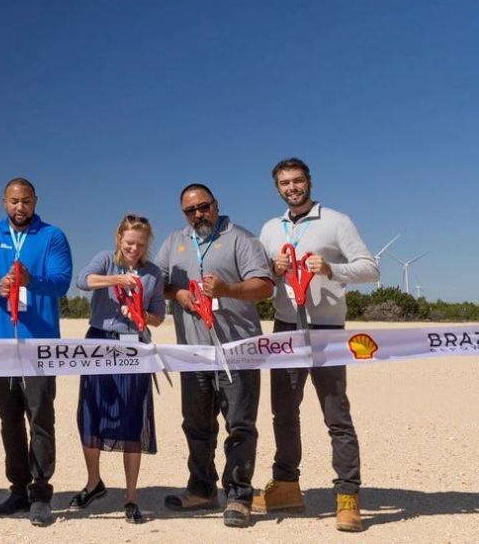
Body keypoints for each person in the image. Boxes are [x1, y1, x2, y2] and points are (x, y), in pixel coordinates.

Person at [253, 158, 378, 533]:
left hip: (327, 329)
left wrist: (331, 270)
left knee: (336, 415)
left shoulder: (336, 221)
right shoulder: (270, 228)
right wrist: (272, 272)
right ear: (277, 189)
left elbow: (370, 268)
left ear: (309, 182)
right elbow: (259, 279)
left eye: (298, 181)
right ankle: (287, 485)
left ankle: (347, 497)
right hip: (285, 328)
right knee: (284, 413)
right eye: (285, 183)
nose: (292, 187)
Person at [154, 183, 273, 529]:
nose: (197, 215)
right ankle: (201, 488)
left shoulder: (241, 239)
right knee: (196, 424)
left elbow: (264, 286)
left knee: (238, 424)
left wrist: (226, 290)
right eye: (190, 211)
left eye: (203, 207)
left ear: (216, 204)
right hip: (193, 353)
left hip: (238, 351)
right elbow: (156, 282)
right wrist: (177, 294)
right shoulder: (175, 241)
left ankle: (238, 495)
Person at [0, 177, 73, 527]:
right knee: (9, 419)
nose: (20, 207)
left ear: (35, 201)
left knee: (41, 419)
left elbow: (62, 281)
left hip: (39, 344)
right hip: (0, 343)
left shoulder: (52, 236)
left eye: (26, 201)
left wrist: (33, 282)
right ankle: (18, 489)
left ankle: (41, 492)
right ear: (4, 202)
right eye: (14, 201)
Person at [74, 214, 165, 525]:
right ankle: (93, 482)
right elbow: (82, 281)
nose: (134, 249)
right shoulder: (105, 260)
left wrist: (141, 315)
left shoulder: (153, 273)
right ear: (119, 239)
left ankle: (130, 496)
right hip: (99, 340)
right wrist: (116, 280)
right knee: (91, 412)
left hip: (134, 345)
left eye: (140, 245)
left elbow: (159, 316)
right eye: (129, 243)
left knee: (132, 417)